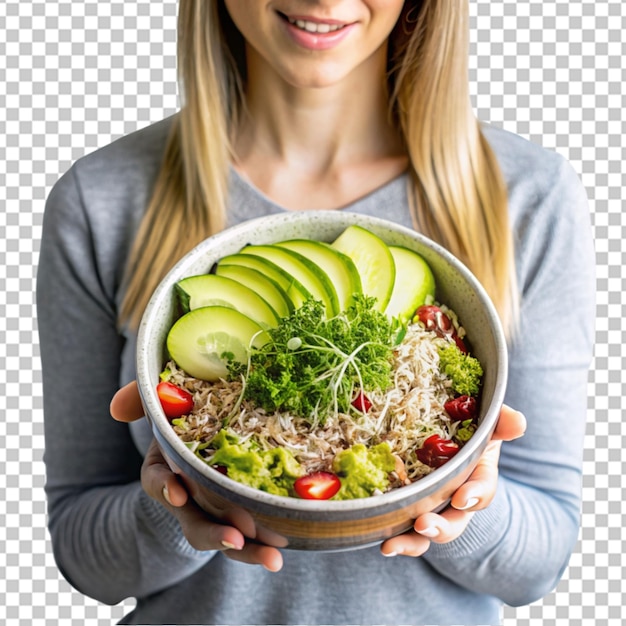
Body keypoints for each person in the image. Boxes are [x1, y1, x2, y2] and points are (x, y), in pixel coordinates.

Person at [37, 1, 595, 624]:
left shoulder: (530, 196)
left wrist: (459, 502)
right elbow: (83, 556)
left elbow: (541, 561)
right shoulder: (101, 198)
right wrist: (176, 510)